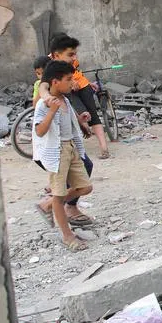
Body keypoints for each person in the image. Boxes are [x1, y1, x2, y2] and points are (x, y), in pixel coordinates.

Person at [31, 60, 92, 252]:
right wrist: (52, 111)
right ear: (55, 82)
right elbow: (40, 131)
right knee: (59, 194)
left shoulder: (65, 100)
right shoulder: (44, 104)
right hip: (56, 152)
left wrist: (81, 122)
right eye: (68, 79)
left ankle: (48, 205)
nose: (72, 83)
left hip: (71, 148)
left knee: (85, 187)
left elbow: (69, 119)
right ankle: (67, 236)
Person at [47, 34, 111, 159]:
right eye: (71, 54)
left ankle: (104, 148)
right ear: (56, 53)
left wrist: (86, 82)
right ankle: (79, 148)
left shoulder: (71, 58)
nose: (74, 57)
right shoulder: (49, 63)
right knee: (81, 115)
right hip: (69, 91)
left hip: (83, 86)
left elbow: (77, 73)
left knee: (92, 115)